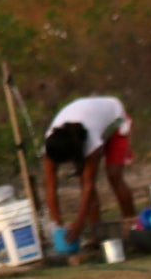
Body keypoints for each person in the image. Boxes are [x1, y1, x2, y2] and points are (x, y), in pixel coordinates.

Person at [41, 94, 136, 254]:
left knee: (114, 175)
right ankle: (97, 235)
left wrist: (79, 222)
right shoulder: (51, 146)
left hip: (115, 118)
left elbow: (89, 185)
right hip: (86, 120)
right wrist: (57, 224)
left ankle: (133, 228)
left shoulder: (90, 143)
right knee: (82, 177)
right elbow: (50, 186)